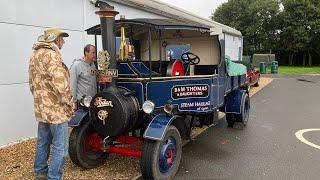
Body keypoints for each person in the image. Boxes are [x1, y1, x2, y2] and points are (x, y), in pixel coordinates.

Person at [28, 27, 74, 180]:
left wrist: (41, 101)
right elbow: (60, 84)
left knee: (43, 141)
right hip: (56, 110)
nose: (64, 41)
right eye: (62, 38)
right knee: (60, 146)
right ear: (55, 39)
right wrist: (70, 103)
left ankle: (40, 172)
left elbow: (32, 84)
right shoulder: (52, 55)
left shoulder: (35, 54)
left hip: (41, 109)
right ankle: (54, 177)